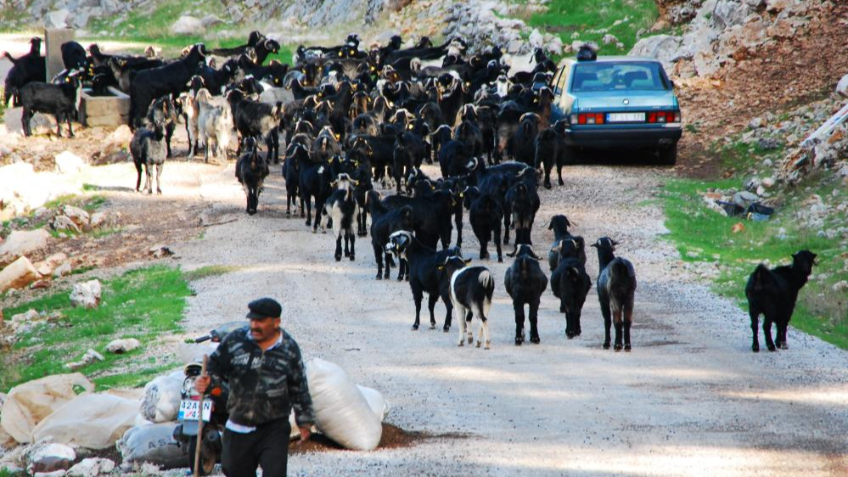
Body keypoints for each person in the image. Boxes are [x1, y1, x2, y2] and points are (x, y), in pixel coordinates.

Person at [195, 297, 315, 477]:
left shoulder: (289, 348)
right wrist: (208, 381)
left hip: (274, 426)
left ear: (276, 322)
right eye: (252, 320)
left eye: (260, 321)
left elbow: (298, 384)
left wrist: (304, 419)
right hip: (238, 423)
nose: (254, 325)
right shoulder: (236, 340)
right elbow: (214, 367)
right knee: (233, 470)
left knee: (275, 473)